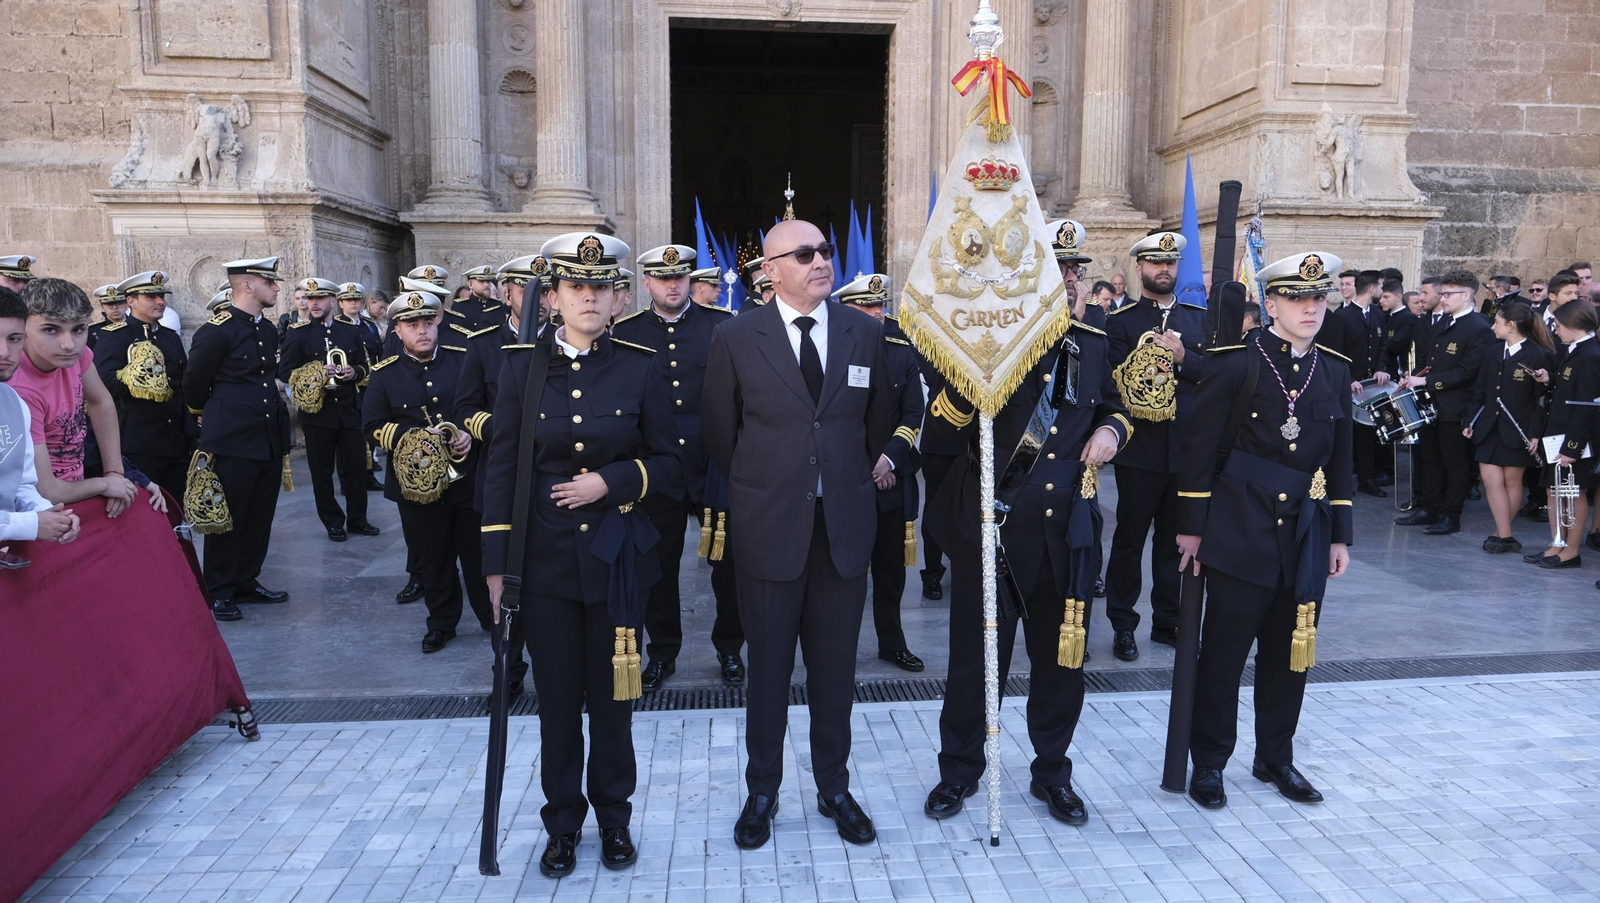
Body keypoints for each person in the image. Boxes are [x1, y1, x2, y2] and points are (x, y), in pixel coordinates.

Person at [480, 232, 684, 877]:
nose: (589, 297)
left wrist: (613, 481)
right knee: (559, 706)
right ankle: (563, 824)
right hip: (541, 566)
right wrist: (495, 566)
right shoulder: (520, 367)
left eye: (600, 287)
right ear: (554, 297)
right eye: (576, 287)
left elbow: (673, 464)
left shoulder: (640, 363)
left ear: (619, 297)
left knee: (615, 704)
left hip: (616, 561)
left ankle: (615, 820)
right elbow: (502, 469)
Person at [701, 219, 891, 850]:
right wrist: (771, 486)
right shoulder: (735, 338)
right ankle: (763, 790)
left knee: (835, 673)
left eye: (825, 251)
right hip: (770, 527)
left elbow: (878, 424)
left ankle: (834, 786)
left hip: (841, 531)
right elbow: (722, 436)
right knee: (769, 672)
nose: (821, 261)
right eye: (805, 253)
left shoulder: (866, 331)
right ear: (770, 270)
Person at [921, 291, 1130, 826]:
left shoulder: (1091, 345)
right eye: (1052, 268)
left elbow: (1113, 405)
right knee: (975, 661)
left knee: (1062, 663)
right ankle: (960, 771)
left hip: (1066, 537)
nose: (1066, 280)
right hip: (995, 534)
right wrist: (970, 377)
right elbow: (942, 432)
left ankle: (1053, 773)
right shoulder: (988, 343)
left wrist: (1111, 430)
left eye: (1072, 270)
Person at [1175, 251, 1354, 809]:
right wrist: (1193, 527)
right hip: (1239, 523)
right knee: (1224, 655)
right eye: (1297, 299)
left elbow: (1342, 460)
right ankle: (1209, 762)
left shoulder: (1336, 368)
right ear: (1270, 304)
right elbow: (1198, 449)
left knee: (1289, 653)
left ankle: (1275, 757)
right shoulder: (1233, 363)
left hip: (1304, 531)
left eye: (1318, 298)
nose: (1310, 308)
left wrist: (1340, 534)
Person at [612, 244, 744, 691]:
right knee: (658, 564)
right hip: (656, 463)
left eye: (680, 277)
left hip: (715, 459)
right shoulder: (624, 333)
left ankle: (730, 648)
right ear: (645, 283)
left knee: (728, 565)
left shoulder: (722, 325)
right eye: (661, 278)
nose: (672, 285)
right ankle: (662, 653)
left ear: (690, 281)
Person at [364, 290, 488, 651]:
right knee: (433, 559)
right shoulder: (384, 374)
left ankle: (489, 616)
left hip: (466, 477)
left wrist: (469, 435)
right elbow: (371, 425)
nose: (422, 331)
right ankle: (441, 623)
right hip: (415, 484)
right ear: (397, 331)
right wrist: (416, 437)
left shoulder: (463, 360)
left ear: (438, 324)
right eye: (412, 325)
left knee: (478, 554)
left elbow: (481, 407)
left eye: (428, 324)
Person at [1103, 231, 1207, 662]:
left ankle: (1169, 622)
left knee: (1174, 542)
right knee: (1129, 541)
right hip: (1140, 450)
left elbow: (1218, 377)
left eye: (1169, 263)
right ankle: (1123, 625)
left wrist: (1184, 359)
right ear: (1140, 268)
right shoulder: (1121, 322)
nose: (1163, 270)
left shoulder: (1200, 320)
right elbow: (1110, 381)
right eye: (1154, 263)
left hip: (1185, 450)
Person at [454, 253, 543, 700]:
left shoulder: (567, 341)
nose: (536, 298)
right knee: (502, 581)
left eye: (545, 288)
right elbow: (465, 408)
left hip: (551, 479)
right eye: (527, 288)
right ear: (506, 293)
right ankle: (507, 665)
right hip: (501, 477)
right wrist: (502, 428)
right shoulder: (484, 344)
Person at [183, 257, 292, 620]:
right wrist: (207, 416)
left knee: (260, 516)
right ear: (246, 284)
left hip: (267, 436)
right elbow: (194, 384)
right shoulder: (217, 330)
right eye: (270, 282)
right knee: (227, 519)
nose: (277, 288)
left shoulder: (267, 328)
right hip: (231, 438)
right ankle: (220, 590)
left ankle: (247, 580)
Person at [831, 273, 925, 672]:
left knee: (890, 572)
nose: (878, 314)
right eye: (868, 307)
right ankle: (836, 648)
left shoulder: (901, 349)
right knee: (843, 574)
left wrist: (888, 459)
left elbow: (912, 413)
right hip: (846, 480)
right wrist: (867, 464)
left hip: (890, 477)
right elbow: (829, 419)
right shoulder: (830, 348)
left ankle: (892, 642)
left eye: (881, 306)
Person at [12, 278, 144, 521]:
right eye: (51, 329)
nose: (68, 344)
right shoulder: (19, 389)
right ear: (23, 327)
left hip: (79, 487)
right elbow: (48, 490)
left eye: (78, 329)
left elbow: (100, 401)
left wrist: (114, 471)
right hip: (37, 512)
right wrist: (105, 484)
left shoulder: (77, 354)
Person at [279, 277, 377, 542]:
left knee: (356, 469)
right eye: (310, 299)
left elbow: (365, 367)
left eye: (320, 298)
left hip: (348, 411)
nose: (314, 304)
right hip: (317, 415)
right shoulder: (297, 333)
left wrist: (353, 371)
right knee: (321, 473)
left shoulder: (350, 331)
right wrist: (316, 373)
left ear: (333, 301)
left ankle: (359, 519)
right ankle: (333, 522)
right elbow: (284, 371)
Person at [1396, 271, 1492, 536]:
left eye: (1448, 294)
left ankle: (1451, 515)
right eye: (1443, 293)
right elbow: (1432, 361)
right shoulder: (1444, 322)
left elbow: (1468, 372)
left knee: (1454, 463)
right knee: (1430, 459)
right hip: (1432, 404)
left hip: (1457, 407)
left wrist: (1426, 382)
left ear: (1466, 295)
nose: (1442, 297)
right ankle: (1429, 507)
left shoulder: (1478, 327)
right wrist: (1415, 377)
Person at [92, 271, 193, 496]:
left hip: (176, 442)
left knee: (176, 510)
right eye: (151, 297)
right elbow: (103, 386)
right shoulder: (114, 336)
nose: (160, 302)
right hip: (138, 444)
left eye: (161, 296)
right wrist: (136, 374)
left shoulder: (170, 337)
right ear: (131, 301)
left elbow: (181, 387)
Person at [1465, 301, 1553, 553]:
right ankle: (1504, 533)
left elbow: (1542, 400)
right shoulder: (1493, 352)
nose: (1492, 327)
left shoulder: (1538, 353)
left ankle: (1502, 533)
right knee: (1490, 479)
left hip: (1519, 428)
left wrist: (1536, 432)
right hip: (1489, 424)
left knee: (1512, 481)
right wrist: (1470, 420)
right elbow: (1481, 389)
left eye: (1497, 322)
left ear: (1511, 325)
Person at [0, 286, 80, 549]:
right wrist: (30, 524)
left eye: (13, 339)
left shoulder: (14, 403)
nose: (4, 352)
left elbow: (20, 484)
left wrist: (50, 513)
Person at [1527, 300, 1600, 569]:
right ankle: (1557, 542)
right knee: (1555, 490)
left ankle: (1571, 550)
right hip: (1557, 433)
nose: (1555, 331)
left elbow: (1587, 407)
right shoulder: (1575, 351)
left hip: (1573, 439)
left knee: (1574, 492)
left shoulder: (1591, 356)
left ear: (1574, 325)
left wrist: (1572, 447)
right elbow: (1570, 384)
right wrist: (1551, 378)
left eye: (1558, 325)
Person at [1337, 271, 1384, 497]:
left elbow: (1382, 346)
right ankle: (1342, 481)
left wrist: (1381, 368)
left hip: (1369, 387)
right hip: (1348, 385)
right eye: (1381, 286)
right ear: (1372, 289)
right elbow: (1335, 354)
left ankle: (1367, 478)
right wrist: (1349, 379)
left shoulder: (1377, 314)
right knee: (1345, 436)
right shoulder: (1342, 317)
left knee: (1367, 434)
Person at [1048, 219, 1099, 329]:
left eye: (1075, 271)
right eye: (1061, 270)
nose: (1073, 278)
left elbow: (1093, 346)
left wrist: (1080, 316)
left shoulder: (1094, 312)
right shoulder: (1029, 314)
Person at [454, 265, 506, 332]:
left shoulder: (497, 305)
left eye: (488, 281)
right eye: (481, 281)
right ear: (470, 284)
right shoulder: (460, 306)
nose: (486, 285)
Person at [87, 284, 127, 350]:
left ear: (127, 304)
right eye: (109, 304)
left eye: (119, 303)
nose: (115, 307)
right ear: (102, 306)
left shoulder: (138, 327)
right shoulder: (93, 332)